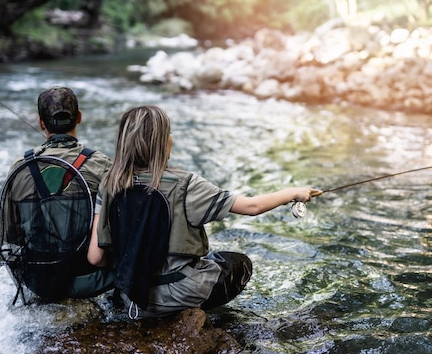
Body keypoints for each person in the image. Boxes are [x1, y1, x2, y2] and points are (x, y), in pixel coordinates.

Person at [87, 105, 321, 317]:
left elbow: (95, 258)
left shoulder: (110, 183)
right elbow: (252, 207)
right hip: (178, 295)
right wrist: (293, 192)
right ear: (163, 143)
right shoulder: (186, 184)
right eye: (169, 133)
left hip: (130, 300)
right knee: (238, 263)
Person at [5, 86, 115, 300]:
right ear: (79, 117)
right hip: (91, 280)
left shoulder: (19, 168)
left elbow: (11, 237)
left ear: (41, 123)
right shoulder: (102, 165)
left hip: (39, 282)